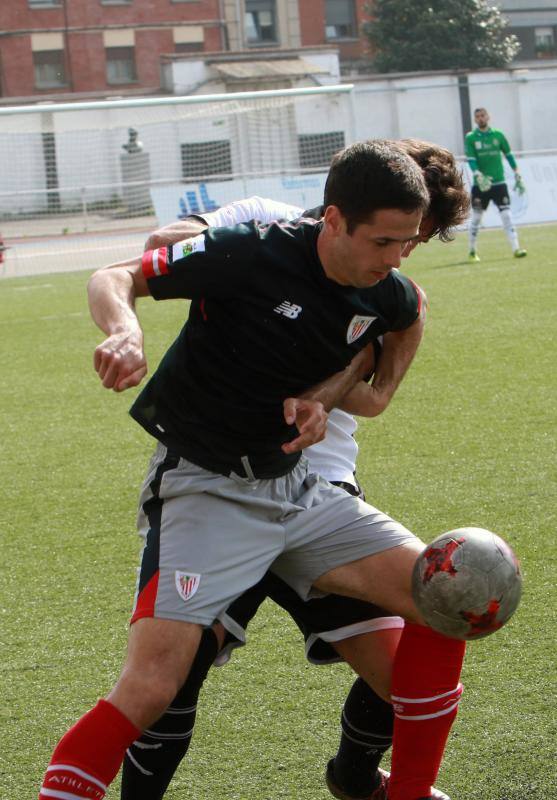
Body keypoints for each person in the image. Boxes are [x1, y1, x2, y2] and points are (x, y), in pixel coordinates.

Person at [39, 140, 466, 800]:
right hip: (206, 488)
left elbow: (407, 312)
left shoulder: (387, 289)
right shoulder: (249, 248)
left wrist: (333, 397)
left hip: (299, 488)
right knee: (154, 688)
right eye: (383, 242)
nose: (396, 260)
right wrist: (125, 330)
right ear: (332, 221)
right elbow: (114, 275)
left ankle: (401, 793)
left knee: (449, 597)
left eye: (407, 243)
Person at [465, 107, 527, 262]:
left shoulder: (498, 135)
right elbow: (471, 160)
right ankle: (472, 251)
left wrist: (517, 172)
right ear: (475, 119)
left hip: (499, 183)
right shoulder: (471, 137)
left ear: (488, 116)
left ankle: (516, 248)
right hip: (481, 185)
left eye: (483, 115)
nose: (480, 118)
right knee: (477, 217)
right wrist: (478, 174)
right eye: (477, 116)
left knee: (506, 214)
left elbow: (509, 154)